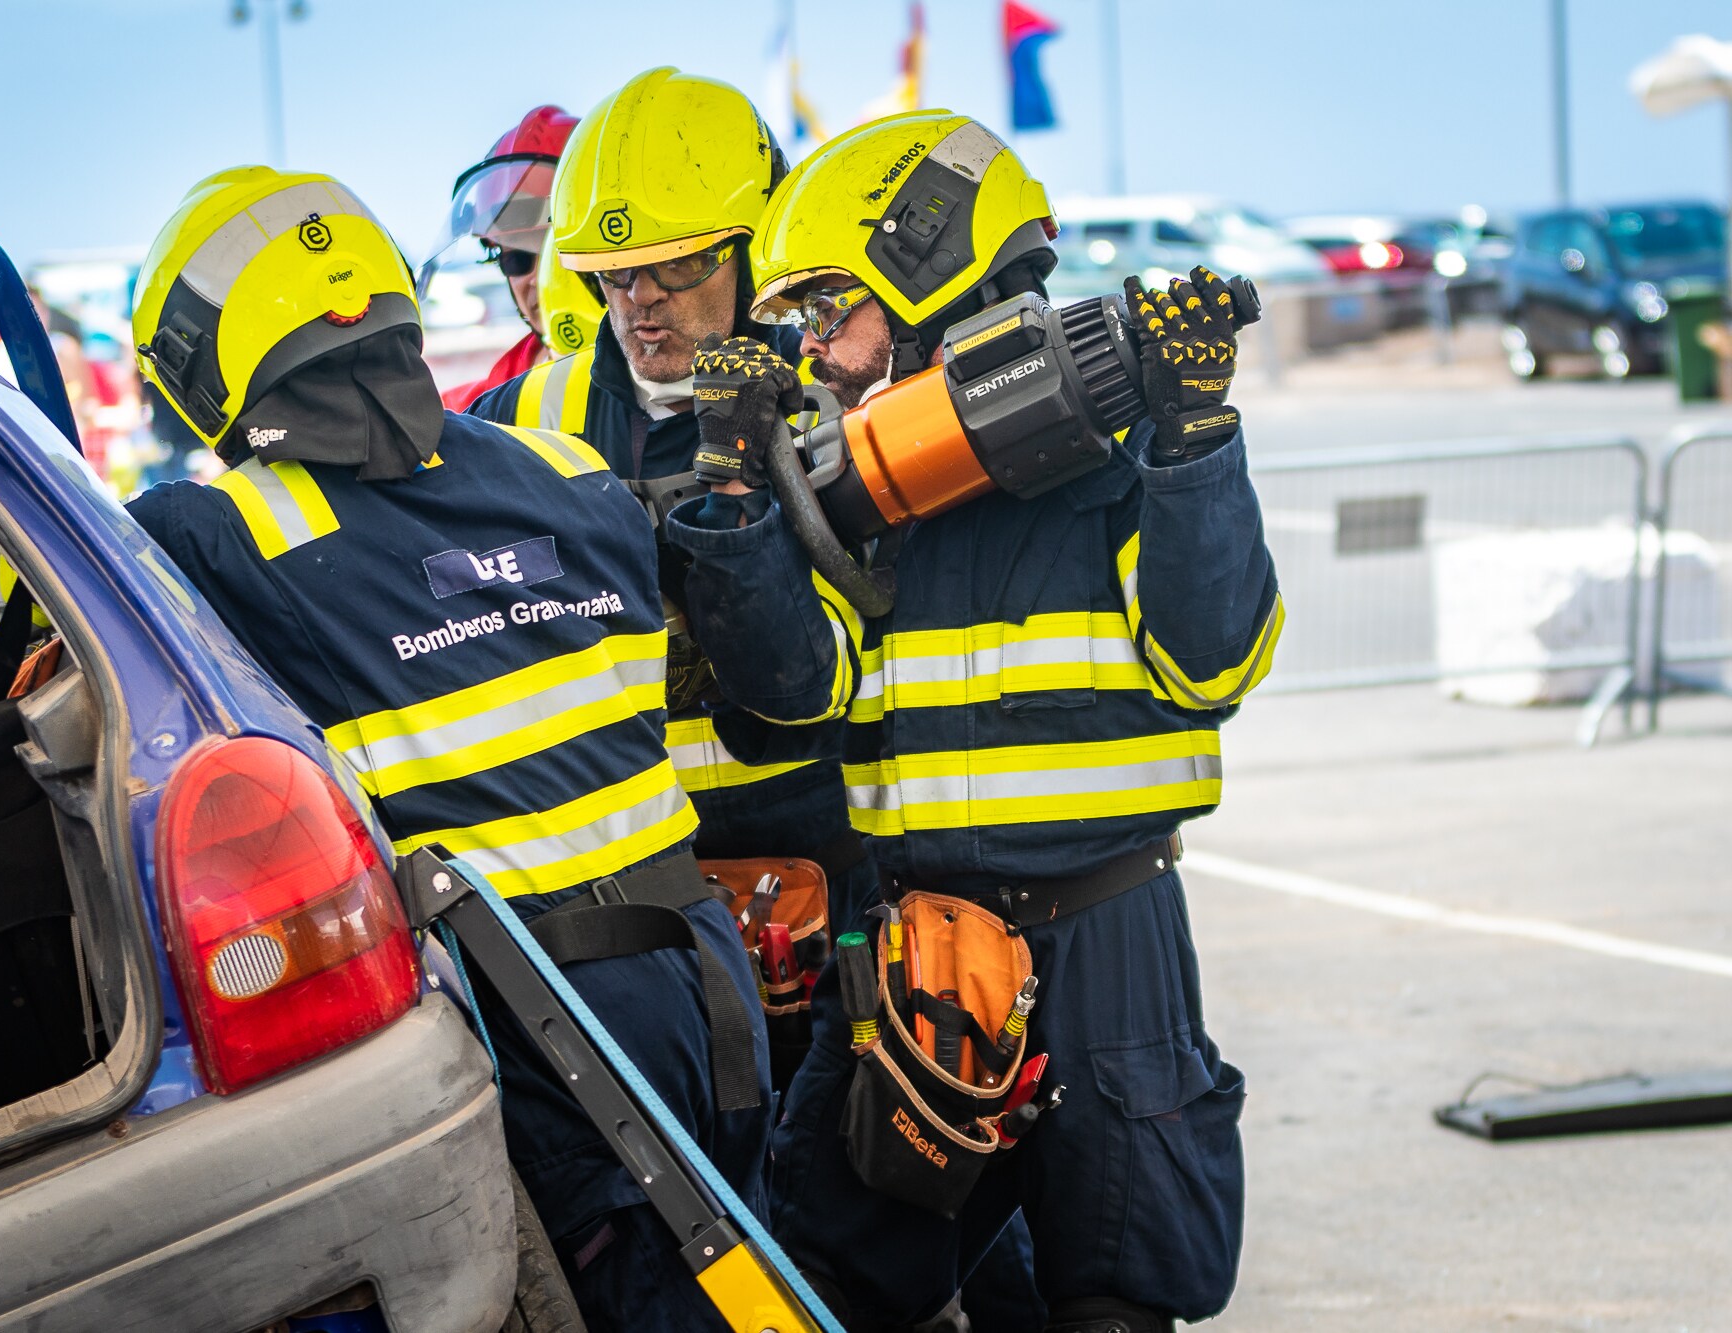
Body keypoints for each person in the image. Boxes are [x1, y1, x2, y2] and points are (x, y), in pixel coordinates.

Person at [0, 166, 769, 1333]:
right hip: (704, 986)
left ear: (206, 357)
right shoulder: (572, 475)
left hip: (548, 1027)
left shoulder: (215, 529)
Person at [665, 112, 1284, 1333]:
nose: (810, 351)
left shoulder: (1123, 451)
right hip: (913, 943)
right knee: (827, 1274)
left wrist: (1195, 441)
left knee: (1118, 1289)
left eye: (825, 309)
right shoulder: (846, 484)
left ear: (926, 259)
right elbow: (792, 691)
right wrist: (735, 494)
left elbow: (1211, 662)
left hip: (1108, 934)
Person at [469, 72, 878, 1092]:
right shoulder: (525, 415)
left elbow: (815, 674)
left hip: (814, 842)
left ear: (751, 247)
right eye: (612, 277)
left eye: (674, 266)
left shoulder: (830, 395)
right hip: (626, 877)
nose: (639, 302)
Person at [426, 105, 579, 412]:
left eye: (557, 252)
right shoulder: (471, 412)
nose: (538, 278)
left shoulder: (686, 384)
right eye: (518, 259)